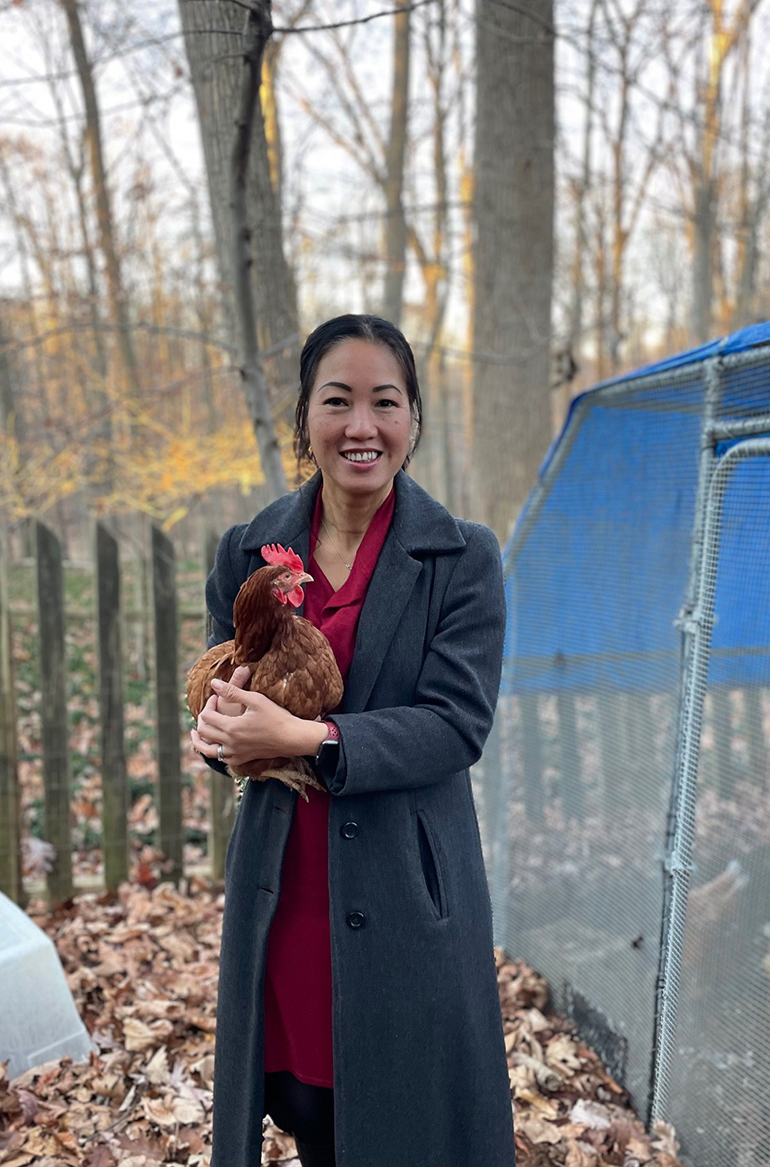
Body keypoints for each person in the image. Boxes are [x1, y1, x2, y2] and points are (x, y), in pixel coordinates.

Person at [191, 315, 515, 1167]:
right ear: (305, 417)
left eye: (384, 402)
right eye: (337, 400)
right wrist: (217, 731)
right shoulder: (246, 551)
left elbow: (456, 722)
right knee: (307, 1105)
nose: (360, 426)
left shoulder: (461, 559)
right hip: (285, 883)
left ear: (412, 420)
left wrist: (307, 734)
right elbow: (227, 685)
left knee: (401, 1115)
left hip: (406, 891)